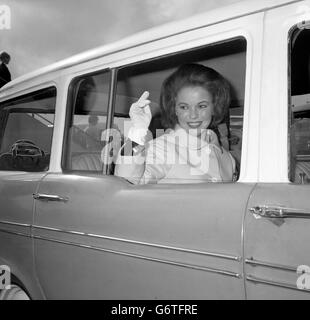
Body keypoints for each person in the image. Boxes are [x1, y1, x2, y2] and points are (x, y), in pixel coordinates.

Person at [115, 63, 236, 184]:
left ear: (215, 107)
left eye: (202, 106)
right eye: (184, 107)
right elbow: (125, 184)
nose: (193, 115)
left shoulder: (228, 158)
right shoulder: (161, 148)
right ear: (174, 109)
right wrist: (138, 130)